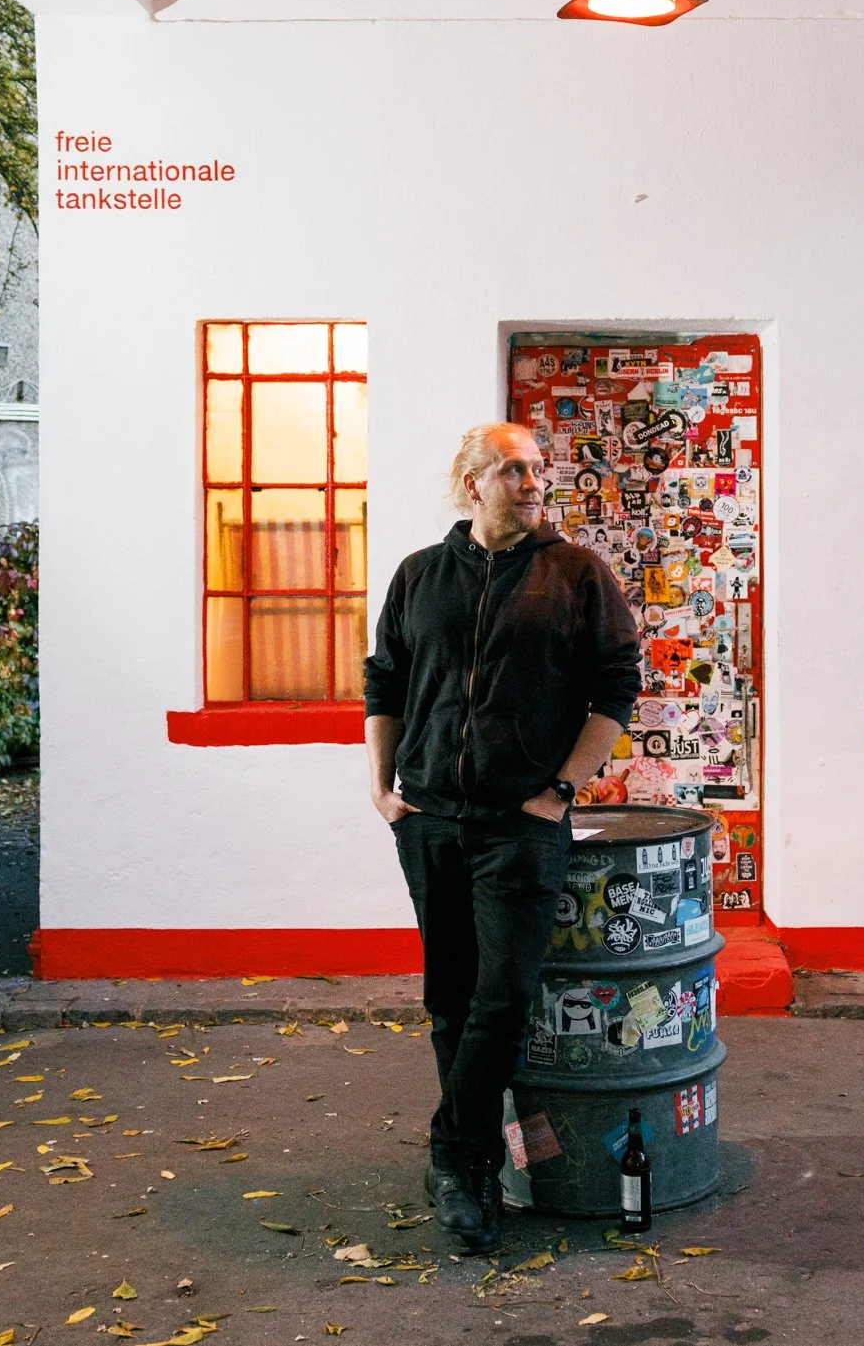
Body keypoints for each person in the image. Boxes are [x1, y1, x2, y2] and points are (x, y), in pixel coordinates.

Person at [362, 422, 641, 1254]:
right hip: (431, 819)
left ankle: (455, 1155)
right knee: (448, 998)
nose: (532, 481)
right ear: (472, 481)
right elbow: (388, 679)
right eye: (513, 469)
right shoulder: (420, 575)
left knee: (503, 997)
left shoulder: (574, 574)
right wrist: (381, 786)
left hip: (519, 825)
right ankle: (475, 1166)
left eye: (536, 469)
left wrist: (561, 789)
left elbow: (617, 685)